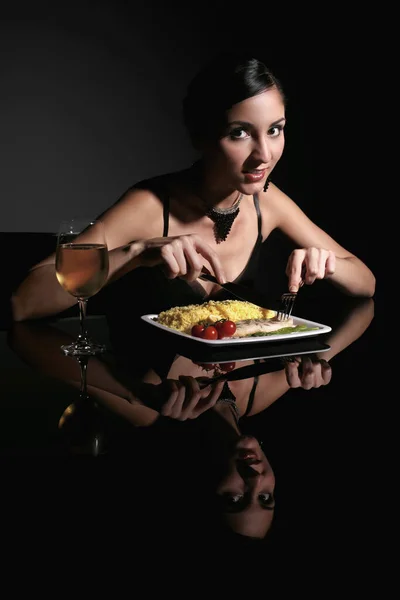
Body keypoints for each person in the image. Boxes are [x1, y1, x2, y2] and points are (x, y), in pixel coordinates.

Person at [10, 52, 375, 324]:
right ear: (200, 135)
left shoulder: (270, 201)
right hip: (157, 408)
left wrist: (328, 265)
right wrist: (136, 252)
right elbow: (23, 302)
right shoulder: (150, 204)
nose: (263, 155)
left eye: (275, 130)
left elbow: (365, 281)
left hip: (230, 394)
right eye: (240, 133)